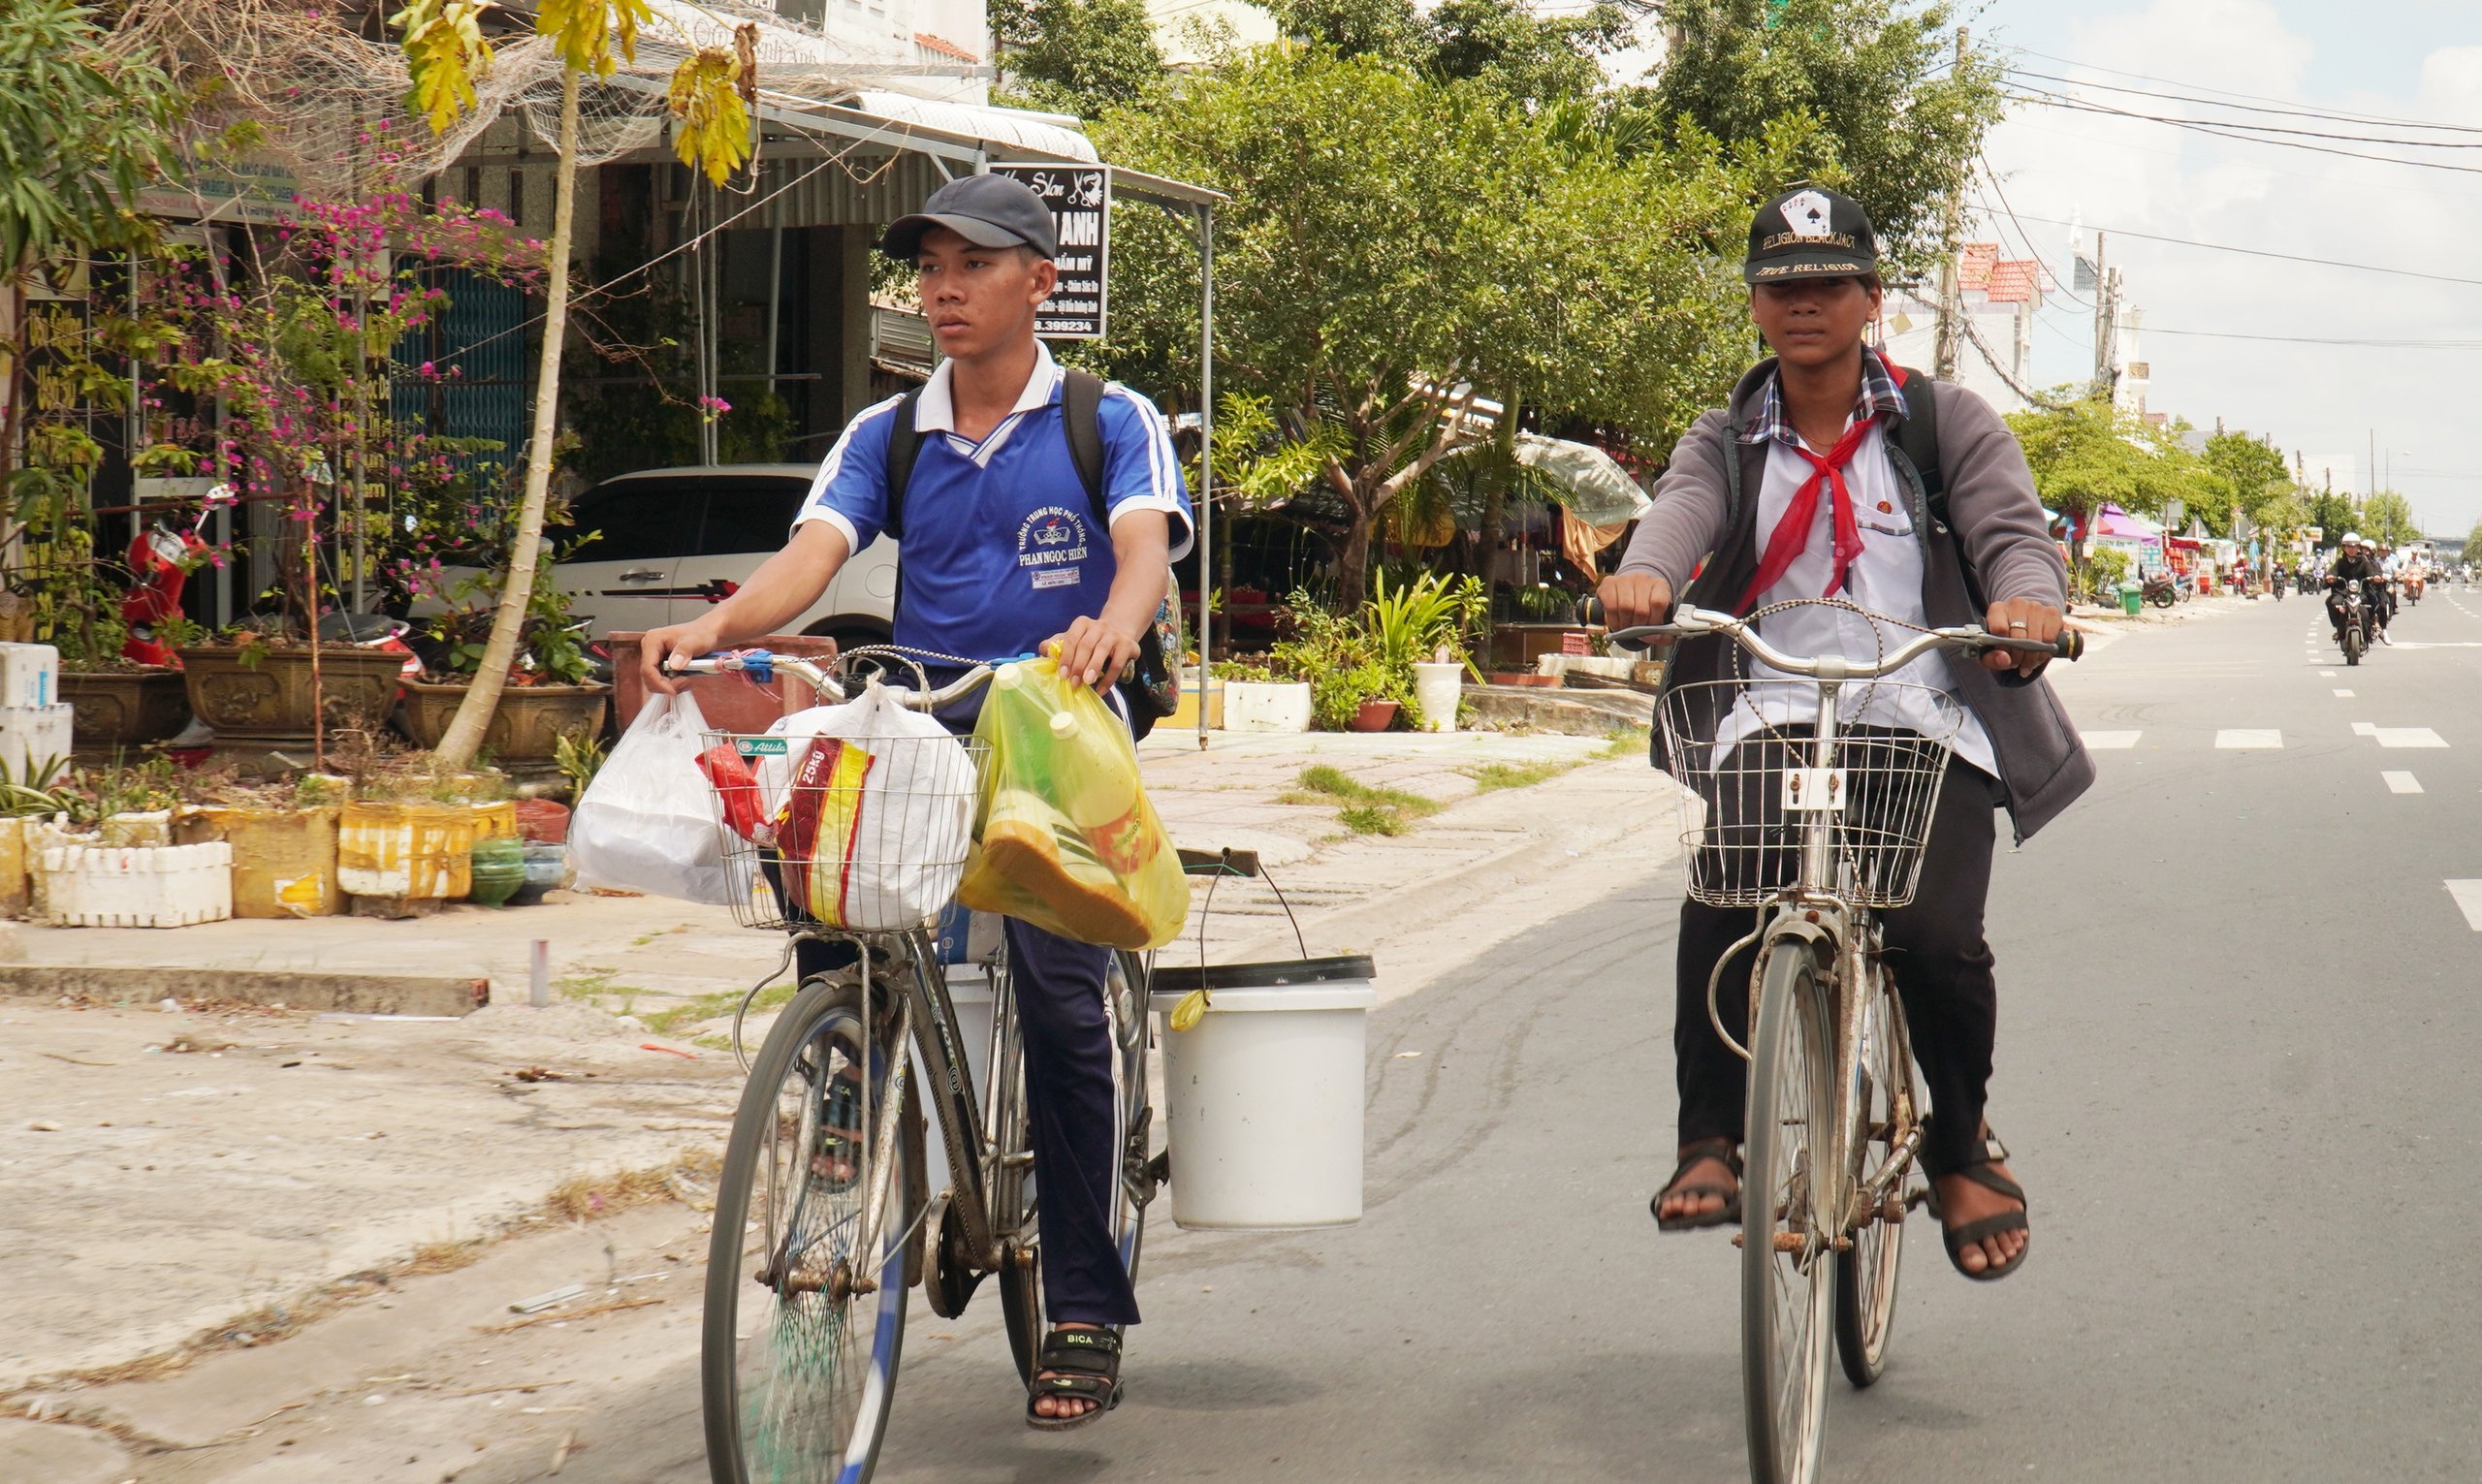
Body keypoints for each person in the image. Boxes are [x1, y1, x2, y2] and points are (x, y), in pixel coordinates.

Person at [640, 174, 1192, 1429]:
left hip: (1055, 737)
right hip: (926, 727)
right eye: (929, 265)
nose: (943, 288)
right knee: (833, 912)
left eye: (973, 264)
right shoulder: (889, 433)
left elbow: (1147, 543)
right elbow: (815, 555)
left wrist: (1114, 624)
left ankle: (1087, 1305)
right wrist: (718, 624)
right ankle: (853, 1128)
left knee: (1056, 991)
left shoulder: (1112, 418)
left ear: (1040, 281)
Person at [1598, 186, 2091, 1281]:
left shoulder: (1942, 420)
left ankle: (1960, 1150)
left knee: (1929, 936)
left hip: (1922, 712)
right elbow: (1682, 511)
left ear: (1870, 298)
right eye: (1780, 286)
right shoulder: (1724, 436)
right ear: (1756, 307)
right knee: (1723, 890)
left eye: (1826, 283)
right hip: (1776, 707)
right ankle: (1710, 1140)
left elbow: (2013, 534)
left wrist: (2023, 603)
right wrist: (1646, 570)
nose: (1802, 303)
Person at [2326, 534, 2385, 647]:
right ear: (2343, 548)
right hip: (2343, 593)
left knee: (2373, 603)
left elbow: (2371, 572)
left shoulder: (2364, 561)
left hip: (2362, 593)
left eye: (2354, 546)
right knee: (2332, 603)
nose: (2351, 549)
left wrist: (2376, 577)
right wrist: (2330, 577)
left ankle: (2370, 630)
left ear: (2358, 547)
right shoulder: (2340, 562)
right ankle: (2339, 628)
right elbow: (2332, 572)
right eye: (2348, 546)